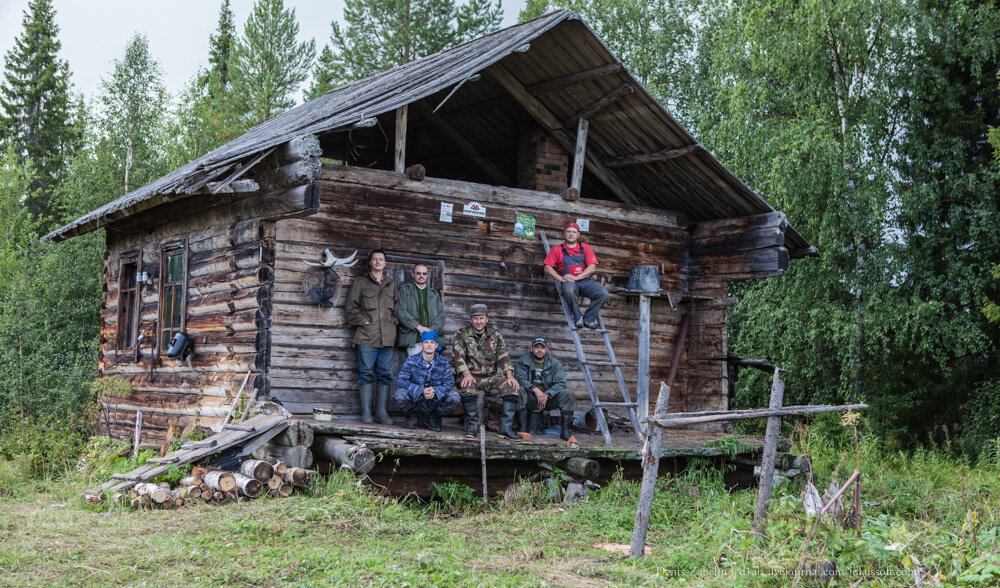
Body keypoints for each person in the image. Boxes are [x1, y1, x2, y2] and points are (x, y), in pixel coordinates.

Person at [451, 304, 521, 440]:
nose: (478, 321)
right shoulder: (462, 333)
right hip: (470, 376)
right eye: (475, 318)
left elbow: (503, 355)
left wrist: (510, 376)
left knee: (511, 388)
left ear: (486, 319)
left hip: (490, 378)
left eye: (481, 318)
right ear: (471, 320)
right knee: (467, 387)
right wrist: (466, 374)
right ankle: (473, 426)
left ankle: (505, 428)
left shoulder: (495, 334)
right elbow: (458, 357)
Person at [345, 250, 398, 425]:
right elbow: (350, 308)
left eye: (381, 259)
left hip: (388, 337)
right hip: (366, 336)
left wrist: (393, 324)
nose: (377, 261)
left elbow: (397, 309)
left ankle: (381, 412)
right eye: (374, 259)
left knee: (385, 374)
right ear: (370, 263)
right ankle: (367, 413)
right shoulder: (360, 283)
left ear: (385, 263)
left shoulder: (392, 284)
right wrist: (364, 322)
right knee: (366, 373)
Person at [543, 222, 609, 329]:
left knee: (603, 293)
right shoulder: (557, 249)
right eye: (568, 231)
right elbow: (547, 267)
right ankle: (577, 318)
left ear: (578, 234)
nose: (571, 234)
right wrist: (561, 279)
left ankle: (588, 319)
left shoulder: (585, 248)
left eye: (574, 232)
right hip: (568, 281)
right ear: (564, 233)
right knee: (569, 290)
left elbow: (592, 267)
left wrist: (577, 277)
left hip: (584, 281)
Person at [394, 331, 460, 431]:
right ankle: (409, 416)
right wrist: (421, 391)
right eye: (426, 342)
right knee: (400, 395)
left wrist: (435, 390)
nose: (429, 345)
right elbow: (401, 382)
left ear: (436, 345)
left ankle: (434, 417)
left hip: (435, 399)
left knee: (455, 397)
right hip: (416, 399)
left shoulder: (443, 362)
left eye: (432, 342)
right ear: (421, 344)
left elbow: (449, 383)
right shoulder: (411, 361)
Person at [514, 337, 576, 441]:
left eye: (542, 347)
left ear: (547, 349)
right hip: (529, 398)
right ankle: (522, 429)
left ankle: (565, 431)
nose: (539, 350)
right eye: (537, 347)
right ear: (531, 349)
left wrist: (547, 394)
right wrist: (535, 390)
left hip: (548, 400)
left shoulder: (555, 364)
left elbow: (561, 383)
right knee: (519, 389)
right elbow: (519, 379)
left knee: (568, 393)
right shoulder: (523, 361)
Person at [396, 263, 446, 356]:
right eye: (418, 273)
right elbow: (401, 312)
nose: (421, 276)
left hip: (431, 340)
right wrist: (419, 327)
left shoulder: (433, 294)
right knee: (416, 369)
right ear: (412, 274)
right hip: (414, 339)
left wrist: (430, 330)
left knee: (431, 369)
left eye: (424, 273)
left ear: (427, 275)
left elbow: (441, 316)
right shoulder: (405, 290)